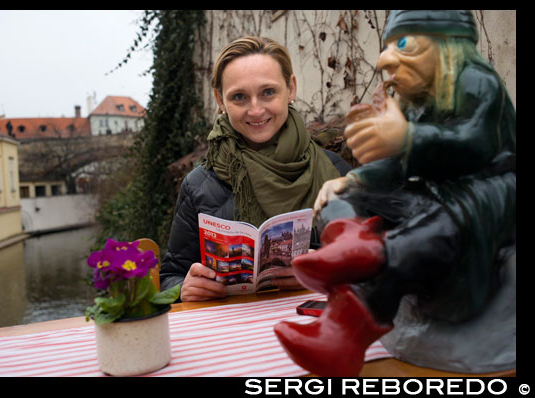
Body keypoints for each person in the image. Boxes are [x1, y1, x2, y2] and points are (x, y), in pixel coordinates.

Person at [275, 10, 516, 376]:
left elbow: (475, 147)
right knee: (340, 200)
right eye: (387, 45)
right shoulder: (415, 99)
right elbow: (403, 165)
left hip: (487, 193)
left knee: (436, 226)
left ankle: (366, 269)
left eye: (403, 44)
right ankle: (352, 258)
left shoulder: (477, 82)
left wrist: (407, 138)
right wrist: (354, 181)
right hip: (436, 191)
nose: (384, 59)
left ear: (446, 44)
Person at [160, 36, 351, 302]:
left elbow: (373, 262)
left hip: (314, 327)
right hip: (234, 335)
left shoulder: (334, 169)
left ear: (290, 88)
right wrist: (184, 288)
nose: (256, 109)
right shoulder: (199, 184)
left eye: (268, 92)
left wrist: (323, 271)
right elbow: (170, 275)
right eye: (239, 97)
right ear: (220, 100)